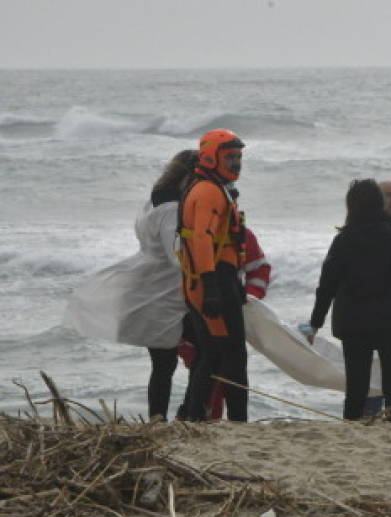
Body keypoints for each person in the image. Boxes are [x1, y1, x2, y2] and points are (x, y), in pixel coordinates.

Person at [63, 149, 199, 421]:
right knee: (204, 352)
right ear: (190, 177)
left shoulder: (153, 201)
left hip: (148, 287)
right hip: (164, 293)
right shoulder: (172, 209)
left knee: (163, 363)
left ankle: (158, 419)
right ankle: (186, 414)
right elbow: (177, 259)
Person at [307, 179, 391, 425]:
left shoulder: (343, 240)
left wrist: (315, 322)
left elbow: (326, 285)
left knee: (356, 386)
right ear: (379, 204)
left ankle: (351, 427)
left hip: (354, 324)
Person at [177, 128, 249, 422]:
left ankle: (194, 416)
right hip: (212, 281)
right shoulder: (207, 192)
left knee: (214, 355)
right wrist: (212, 288)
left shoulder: (213, 188)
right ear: (210, 157)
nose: (236, 163)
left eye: (238, 157)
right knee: (229, 356)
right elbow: (202, 240)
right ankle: (237, 422)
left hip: (217, 279)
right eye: (230, 157)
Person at [205, 221, 271, 419]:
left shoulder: (242, 235)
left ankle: (233, 422)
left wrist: (249, 298)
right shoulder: (194, 236)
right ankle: (207, 418)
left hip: (231, 312)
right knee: (206, 371)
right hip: (197, 315)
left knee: (231, 372)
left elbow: (260, 269)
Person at [363, 179, 391, 417]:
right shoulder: (358, 231)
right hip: (367, 319)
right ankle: (369, 418)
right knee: (366, 379)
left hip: (390, 318)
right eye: (389, 195)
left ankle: (390, 422)